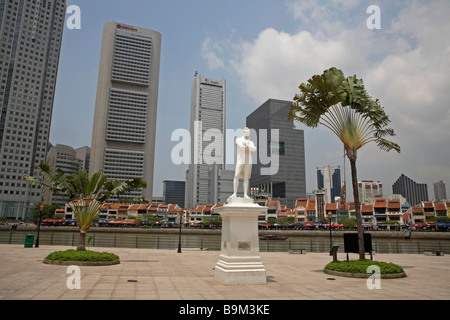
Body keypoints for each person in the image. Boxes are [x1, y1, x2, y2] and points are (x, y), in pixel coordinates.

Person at [228, 127, 257, 202]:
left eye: (247, 132)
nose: (245, 133)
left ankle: (245, 194)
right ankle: (234, 193)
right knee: (236, 175)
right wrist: (247, 146)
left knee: (246, 177)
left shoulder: (250, 142)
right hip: (241, 160)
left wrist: (248, 145)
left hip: (248, 161)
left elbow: (254, 149)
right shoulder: (238, 139)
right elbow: (241, 147)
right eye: (244, 131)